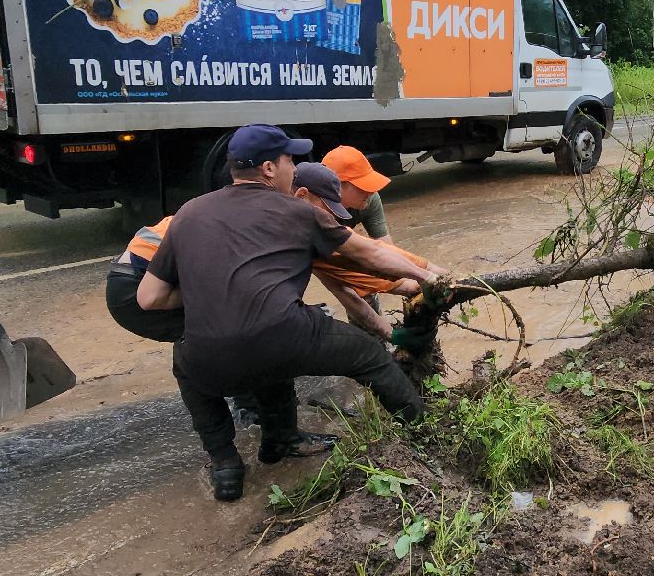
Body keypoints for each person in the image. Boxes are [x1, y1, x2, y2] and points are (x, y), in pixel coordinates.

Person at [137, 125, 438, 501]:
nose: (294, 168)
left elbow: (148, 298)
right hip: (283, 336)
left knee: (187, 365)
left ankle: (227, 464)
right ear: (268, 168)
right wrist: (428, 276)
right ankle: (426, 433)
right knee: (369, 355)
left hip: (209, 356)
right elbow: (370, 255)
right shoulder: (299, 210)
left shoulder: (188, 213)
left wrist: (215, 292)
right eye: (289, 160)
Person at [291, 162, 444, 338]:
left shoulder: (364, 203)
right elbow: (369, 257)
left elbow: (382, 250)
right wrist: (426, 276)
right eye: (362, 188)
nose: (370, 193)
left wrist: (390, 333)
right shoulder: (314, 227)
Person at [320, 145, 394, 242]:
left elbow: (385, 245)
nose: (370, 192)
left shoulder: (369, 199)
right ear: (336, 186)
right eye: (362, 186)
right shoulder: (314, 208)